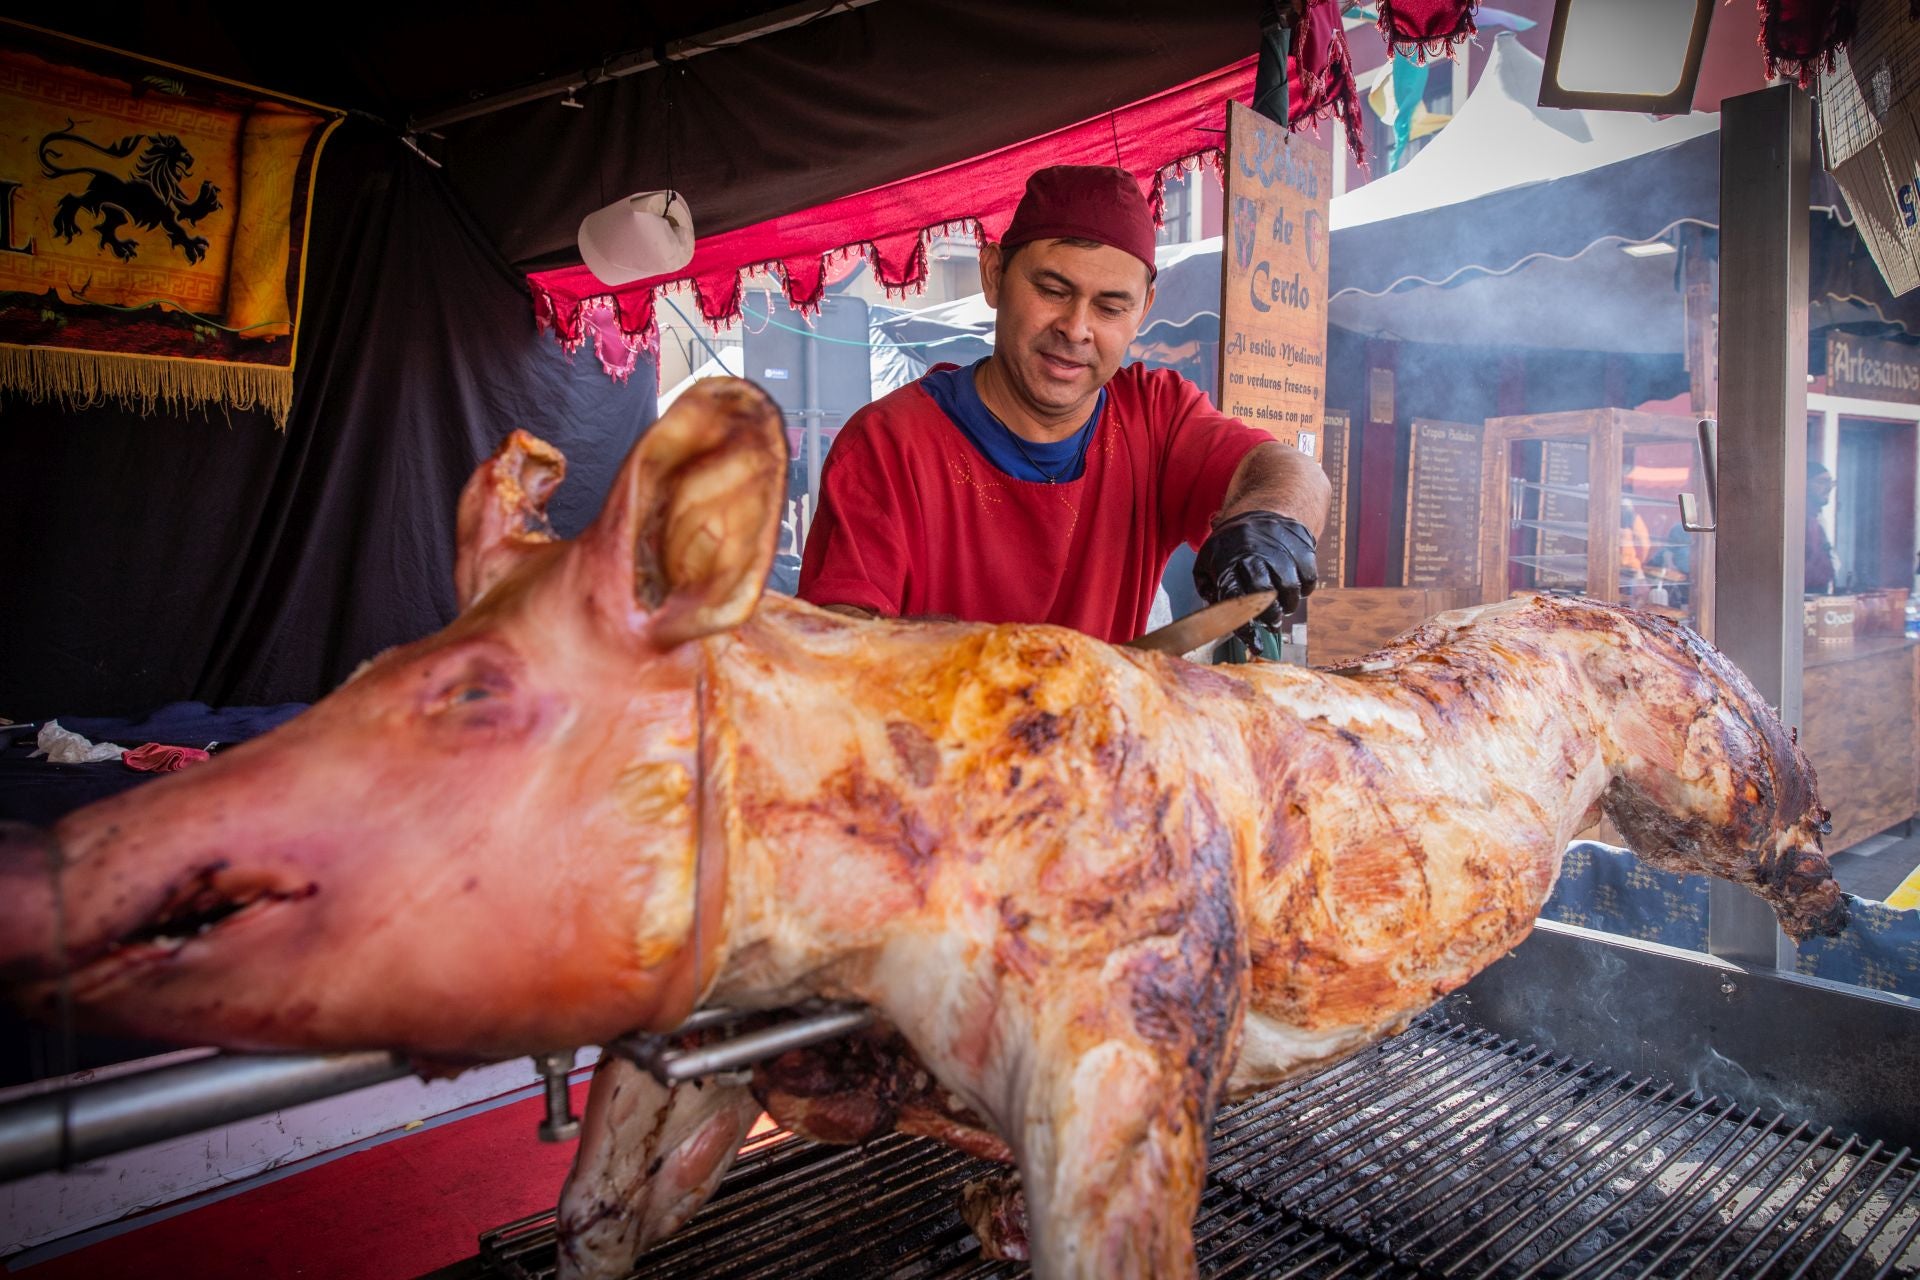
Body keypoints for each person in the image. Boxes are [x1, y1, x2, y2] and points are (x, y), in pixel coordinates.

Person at [797, 165, 1331, 647]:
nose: (1076, 329)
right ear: (993, 275)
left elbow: (1290, 471)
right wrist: (1016, 662)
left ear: (1142, 309)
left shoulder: (1156, 417)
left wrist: (1273, 518)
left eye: (1110, 306)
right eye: (1053, 290)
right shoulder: (888, 444)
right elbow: (837, 646)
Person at [1807, 462, 1838, 595]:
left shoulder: (1816, 518)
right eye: (1821, 482)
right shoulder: (1796, 520)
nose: (1829, 488)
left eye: (1831, 483)